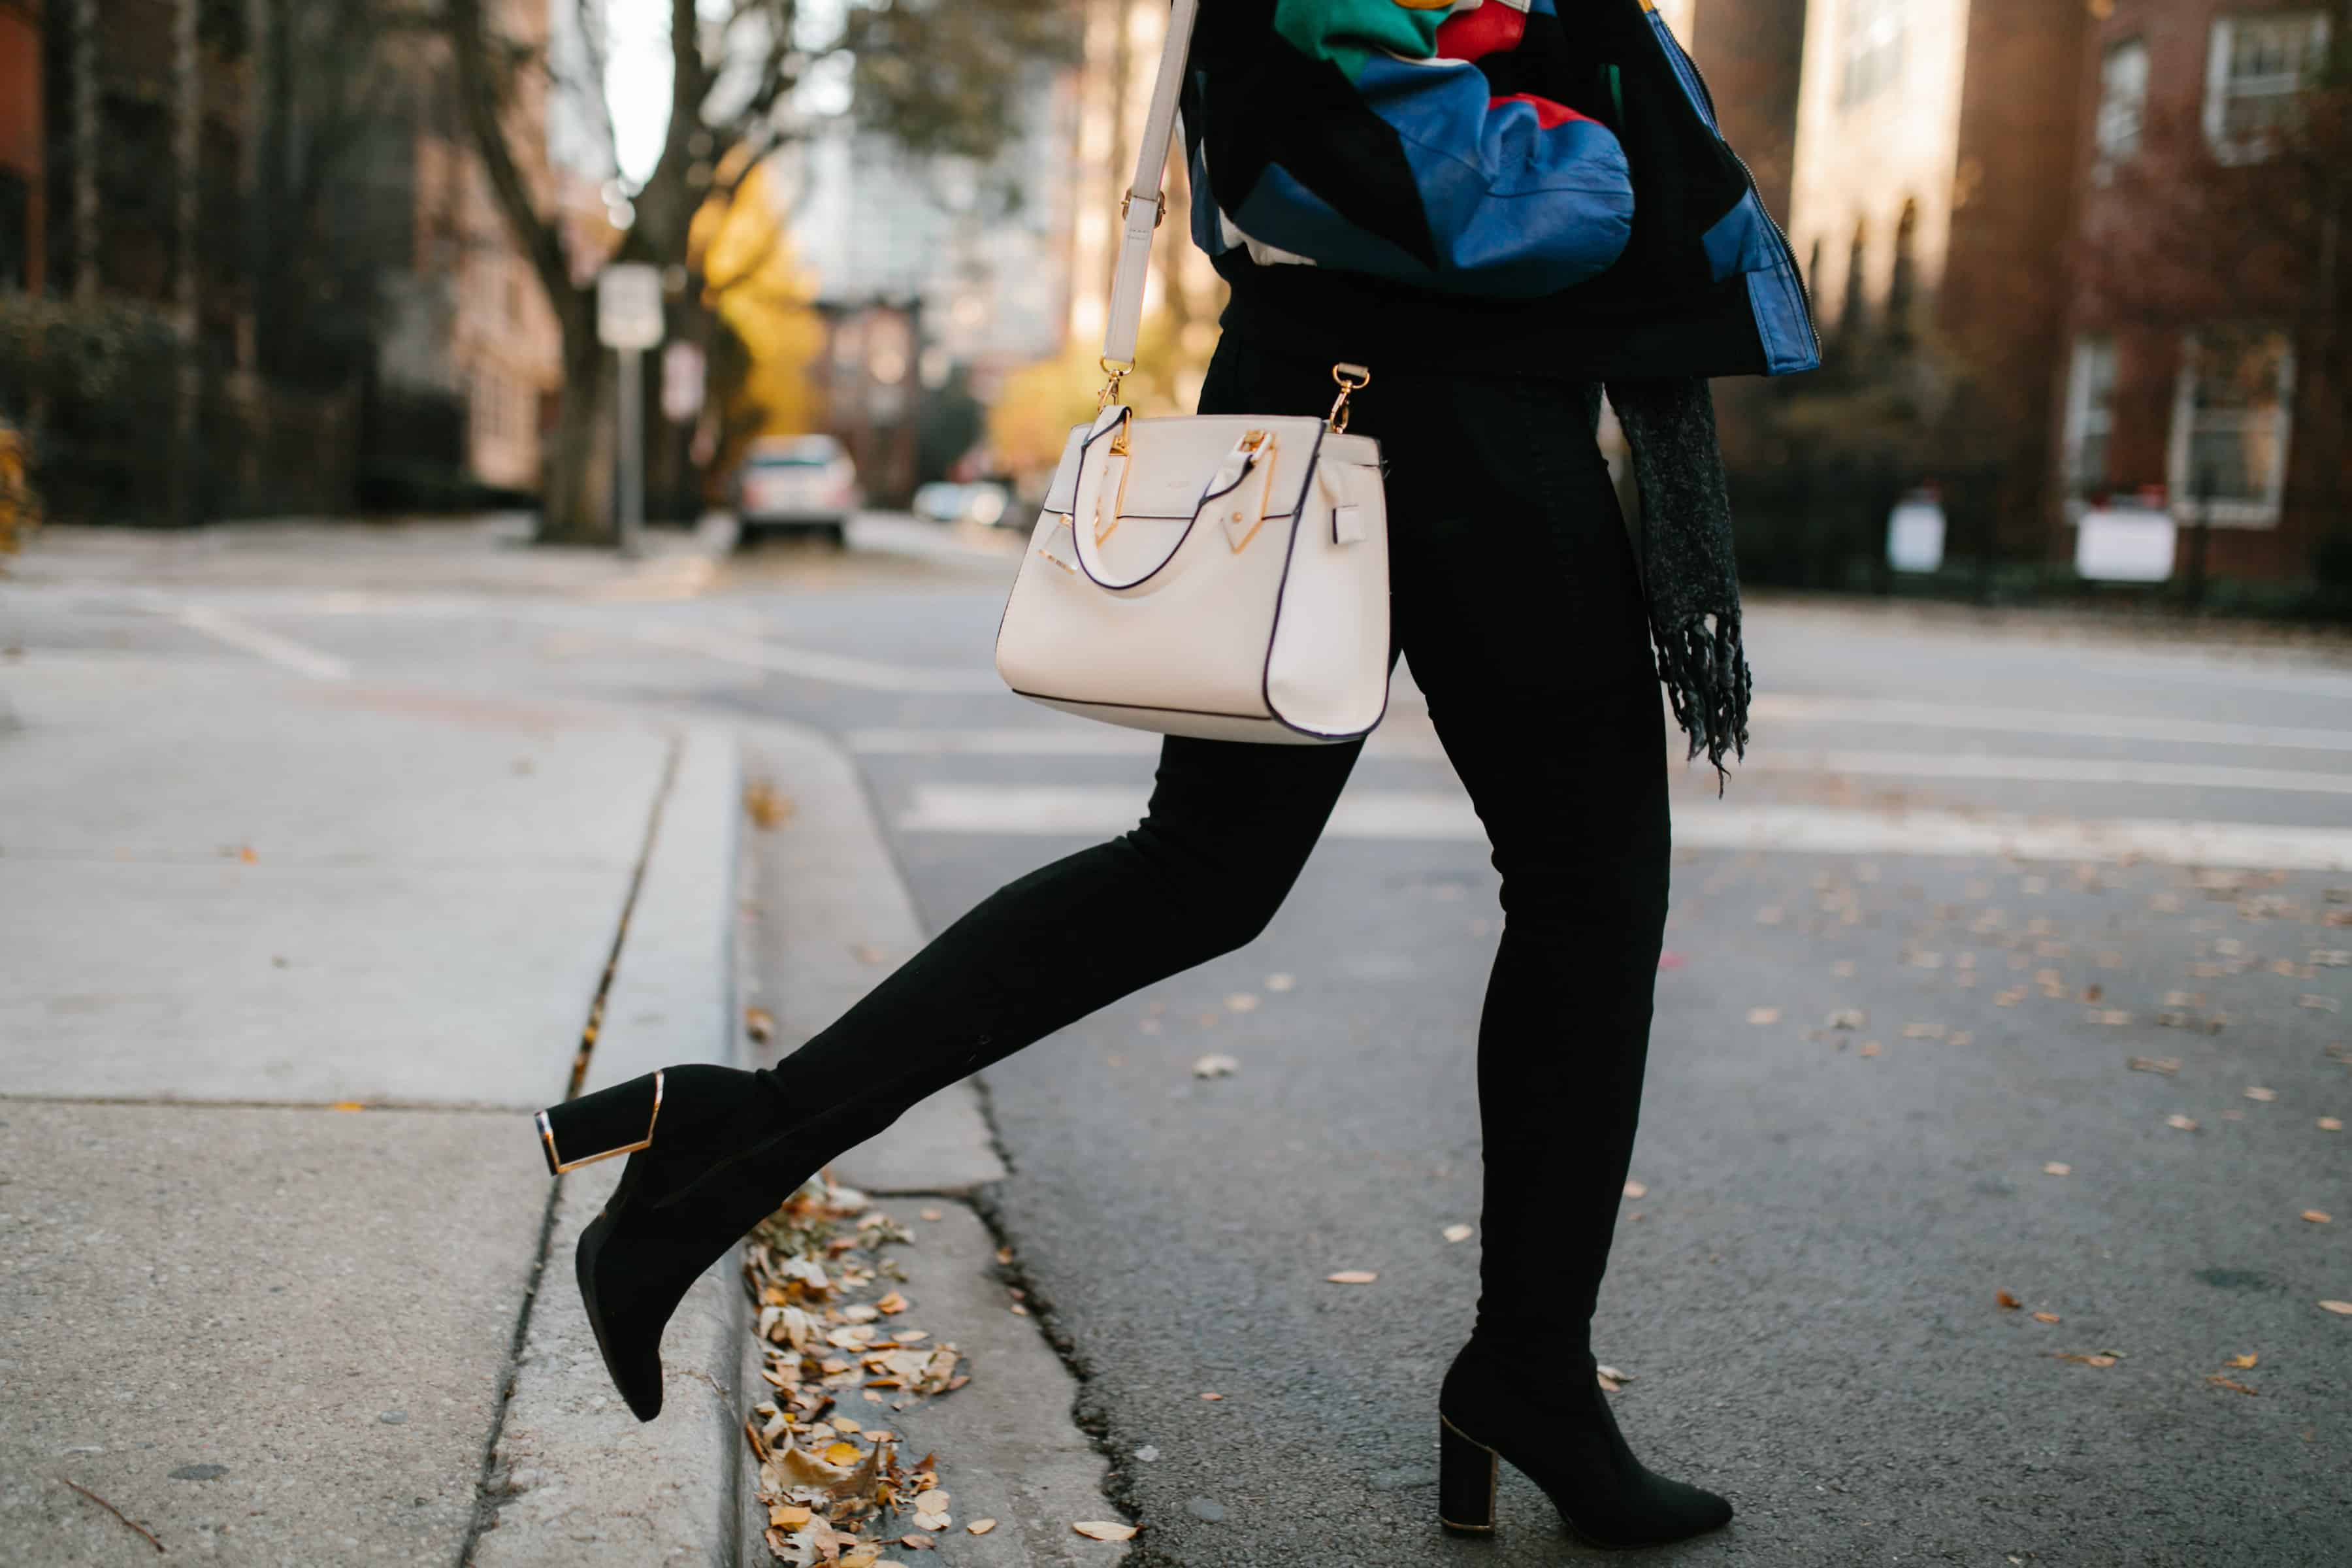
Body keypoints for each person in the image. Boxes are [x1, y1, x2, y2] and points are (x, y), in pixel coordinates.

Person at [532, 0, 1817, 1550]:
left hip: (1337, 391)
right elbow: (1359, 139)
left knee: (1207, 869)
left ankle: (724, 1152)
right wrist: (1617, 163)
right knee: (1586, 892)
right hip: (1453, 410)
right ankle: (1528, 1373)